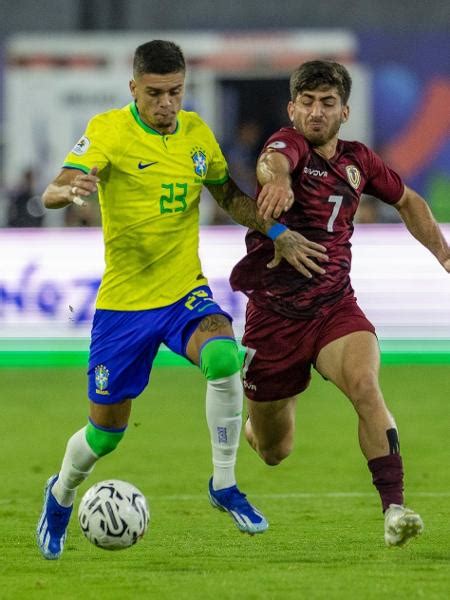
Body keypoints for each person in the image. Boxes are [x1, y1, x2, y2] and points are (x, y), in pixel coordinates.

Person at [36, 40, 317, 560]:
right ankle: (61, 495)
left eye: (176, 92)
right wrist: (69, 190)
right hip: (124, 306)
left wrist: (276, 229)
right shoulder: (107, 131)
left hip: (184, 291)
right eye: (155, 94)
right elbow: (56, 187)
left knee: (222, 357)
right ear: (133, 89)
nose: (167, 104)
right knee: (104, 435)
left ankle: (225, 484)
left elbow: (228, 195)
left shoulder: (195, 133)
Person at [230, 60, 450, 547]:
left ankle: (394, 509)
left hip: (334, 309)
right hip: (274, 319)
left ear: (344, 111)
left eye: (327, 103)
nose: (315, 112)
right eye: (306, 102)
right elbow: (272, 161)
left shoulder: (360, 162)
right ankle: (255, 425)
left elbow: (410, 201)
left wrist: (444, 254)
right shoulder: (286, 145)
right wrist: (278, 179)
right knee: (273, 450)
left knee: (366, 386)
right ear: (292, 108)